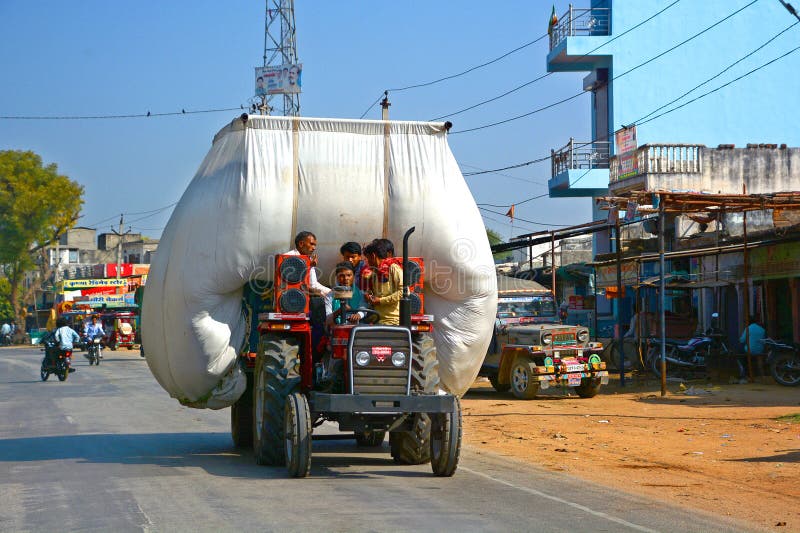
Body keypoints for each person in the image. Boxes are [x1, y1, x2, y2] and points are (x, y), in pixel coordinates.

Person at [363, 238, 403, 325]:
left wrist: (380, 301)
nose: (368, 262)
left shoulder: (393, 268)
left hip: (392, 322)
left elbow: (403, 292)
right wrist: (369, 295)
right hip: (377, 319)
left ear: (373, 256)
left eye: (368, 258)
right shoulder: (374, 273)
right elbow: (375, 294)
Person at [286, 231, 330, 297]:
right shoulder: (287, 257)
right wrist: (309, 266)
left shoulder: (308, 260)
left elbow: (313, 284)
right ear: (301, 244)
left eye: (315, 245)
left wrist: (331, 292)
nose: (314, 248)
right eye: (311, 244)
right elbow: (291, 281)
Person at [738, 315, 766, 382]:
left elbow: (742, 340)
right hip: (760, 350)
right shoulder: (762, 329)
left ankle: (744, 373)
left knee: (739, 354)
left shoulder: (748, 329)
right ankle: (760, 374)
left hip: (750, 350)